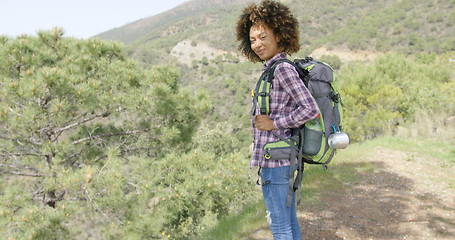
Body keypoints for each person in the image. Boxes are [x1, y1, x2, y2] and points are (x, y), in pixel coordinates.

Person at [236, 1, 319, 239]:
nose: (257, 44)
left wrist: (274, 123)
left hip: (278, 163)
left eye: (263, 37)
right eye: (252, 40)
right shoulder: (272, 69)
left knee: (280, 227)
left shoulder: (282, 69)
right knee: (289, 223)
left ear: (280, 36)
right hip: (276, 158)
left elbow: (310, 109)